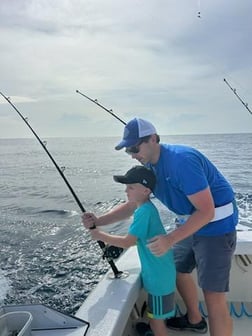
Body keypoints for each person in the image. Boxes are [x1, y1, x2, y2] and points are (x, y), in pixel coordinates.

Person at [83, 118, 238, 336]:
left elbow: (207, 211)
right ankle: (194, 320)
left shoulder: (182, 162)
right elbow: (131, 205)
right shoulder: (148, 167)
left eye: (135, 147)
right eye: (128, 150)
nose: (132, 153)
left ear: (154, 139)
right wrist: (98, 221)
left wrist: (170, 239)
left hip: (215, 227)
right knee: (180, 271)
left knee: (213, 296)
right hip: (188, 222)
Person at [86, 165, 176, 336]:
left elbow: (128, 242)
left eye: (131, 187)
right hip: (160, 273)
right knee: (155, 315)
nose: (126, 191)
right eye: (126, 187)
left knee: (157, 322)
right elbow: (138, 241)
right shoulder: (146, 208)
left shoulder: (143, 212)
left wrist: (100, 235)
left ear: (146, 190)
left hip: (158, 278)